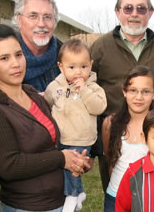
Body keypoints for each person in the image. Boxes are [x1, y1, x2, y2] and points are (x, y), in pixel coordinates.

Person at [0, 24, 90, 212]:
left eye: (18, 55)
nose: (15, 63)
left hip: (58, 202)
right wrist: (61, 159)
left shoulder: (34, 96)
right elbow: (9, 166)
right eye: (4, 58)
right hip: (27, 206)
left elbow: (51, 146)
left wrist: (76, 162)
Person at [91, 0, 154, 194]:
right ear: (117, 12)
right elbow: (88, 93)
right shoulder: (99, 48)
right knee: (116, 192)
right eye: (128, 8)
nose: (134, 14)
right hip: (114, 138)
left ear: (150, 13)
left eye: (141, 9)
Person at [43, 38, 107, 212]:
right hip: (60, 137)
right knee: (62, 167)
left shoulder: (93, 88)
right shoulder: (55, 87)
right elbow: (45, 103)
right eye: (72, 67)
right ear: (61, 67)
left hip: (81, 138)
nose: (78, 72)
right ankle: (77, 192)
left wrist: (84, 90)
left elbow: (99, 107)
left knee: (74, 166)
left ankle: (72, 195)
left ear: (91, 65)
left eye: (84, 67)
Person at [0, 0, 62, 93]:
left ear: (55, 21)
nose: (41, 24)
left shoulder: (66, 54)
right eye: (33, 16)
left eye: (47, 17)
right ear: (19, 19)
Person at [101, 66, 154, 211]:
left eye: (145, 91)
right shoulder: (110, 123)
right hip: (115, 197)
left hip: (148, 198)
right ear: (124, 91)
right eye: (133, 90)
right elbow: (110, 160)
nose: (139, 97)